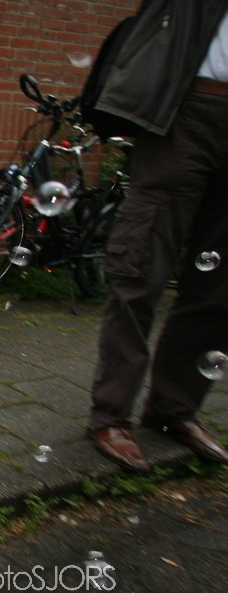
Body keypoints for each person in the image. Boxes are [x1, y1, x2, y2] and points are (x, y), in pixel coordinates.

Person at [88, 0, 228, 473]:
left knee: (218, 285)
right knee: (141, 267)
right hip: (185, 109)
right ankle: (110, 414)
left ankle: (173, 410)